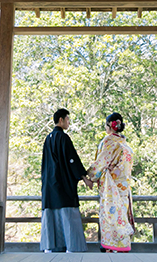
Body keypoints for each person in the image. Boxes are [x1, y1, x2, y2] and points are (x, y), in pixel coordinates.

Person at [40, 108, 93, 253]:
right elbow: (72, 160)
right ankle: (72, 246)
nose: (69, 122)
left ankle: (50, 246)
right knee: (68, 213)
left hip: (49, 184)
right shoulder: (63, 138)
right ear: (61, 120)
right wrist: (85, 178)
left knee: (51, 214)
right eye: (67, 119)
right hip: (62, 183)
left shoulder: (48, 138)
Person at [88, 112, 135, 253]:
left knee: (110, 214)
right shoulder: (125, 145)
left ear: (109, 126)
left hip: (111, 185)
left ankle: (111, 245)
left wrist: (90, 176)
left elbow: (101, 163)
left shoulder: (109, 141)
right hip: (124, 185)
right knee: (121, 214)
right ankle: (123, 245)